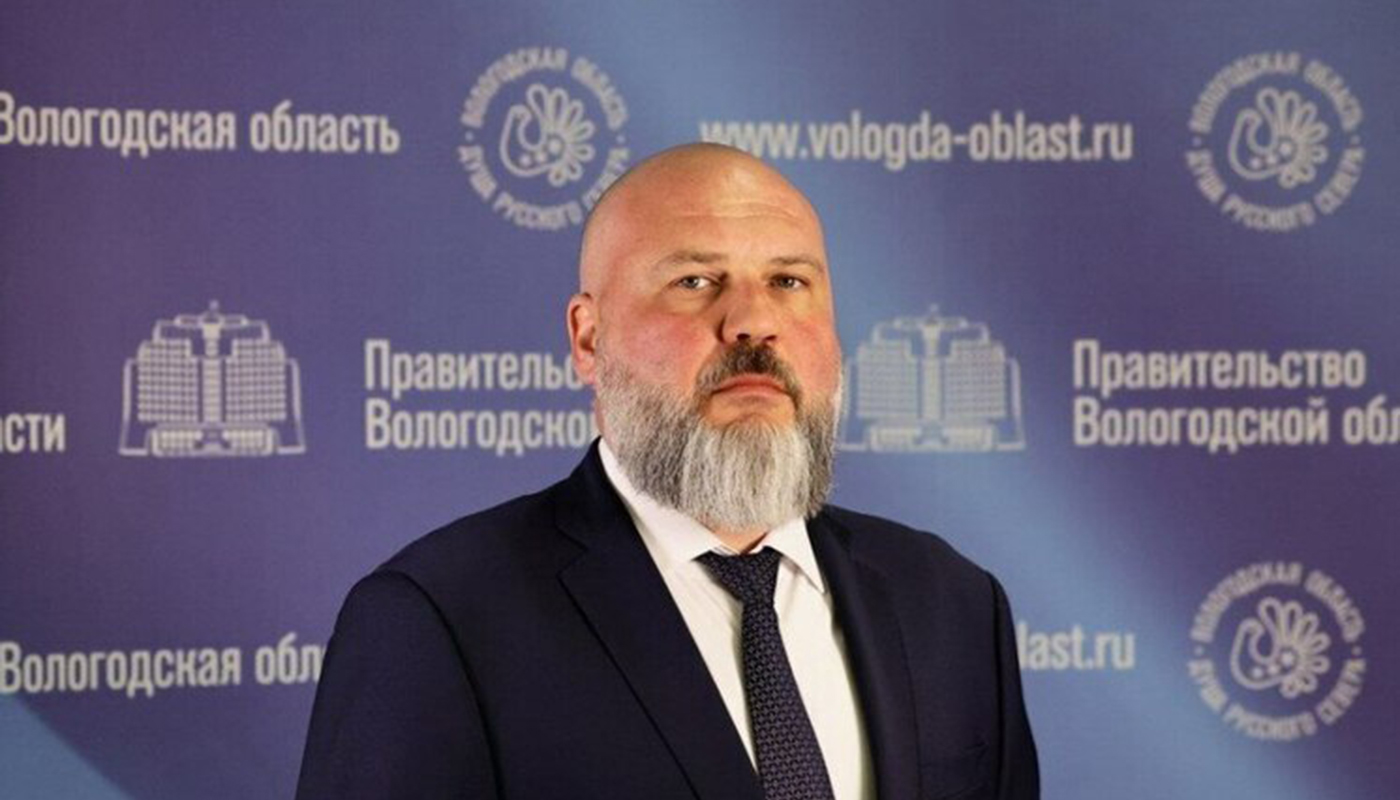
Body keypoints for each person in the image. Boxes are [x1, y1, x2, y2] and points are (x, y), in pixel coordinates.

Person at [296, 143, 1038, 800]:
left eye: (788, 281)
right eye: (695, 281)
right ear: (589, 339)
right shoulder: (439, 620)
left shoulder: (952, 604)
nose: (753, 321)